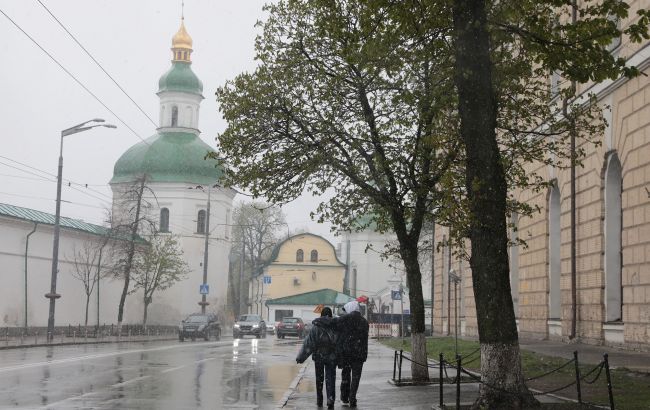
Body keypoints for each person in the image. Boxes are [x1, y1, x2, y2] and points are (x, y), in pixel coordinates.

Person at [296, 307, 337, 408]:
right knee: (330, 378)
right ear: (330, 315)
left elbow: (309, 344)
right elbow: (339, 342)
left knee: (319, 379)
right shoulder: (335, 326)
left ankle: (319, 399)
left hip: (319, 356)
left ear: (321, 314)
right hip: (331, 357)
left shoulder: (316, 327)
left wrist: (301, 357)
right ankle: (330, 399)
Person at [333, 300, 369, 408]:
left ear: (349, 308)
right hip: (359, 354)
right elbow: (365, 340)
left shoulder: (344, 319)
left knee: (346, 376)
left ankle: (344, 398)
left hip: (346, 354)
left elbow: (335, 328)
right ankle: (352, 398)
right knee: (356, 378)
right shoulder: (364, 322)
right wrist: (363, 353)